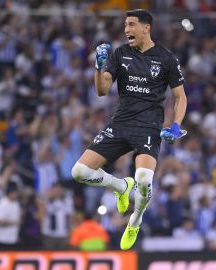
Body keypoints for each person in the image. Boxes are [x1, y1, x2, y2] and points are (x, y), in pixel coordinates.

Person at [71, 9, 187, 250]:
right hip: (121, 122)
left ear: (146, 28)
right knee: (79, 172)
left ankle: (135, 219)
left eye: (132, 25)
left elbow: (180, 97)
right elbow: (102, 90)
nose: (126, 30)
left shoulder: (166, 58)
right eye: (125, 25)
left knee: (144, 179)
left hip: (149, 125)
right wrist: (98, 67)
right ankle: (121, 187)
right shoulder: (121, 53)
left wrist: (176, 126)